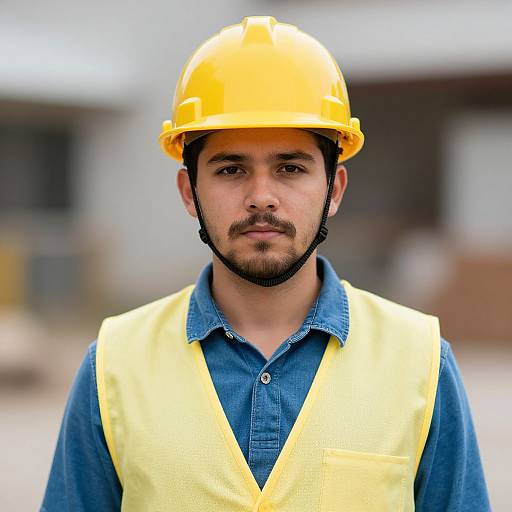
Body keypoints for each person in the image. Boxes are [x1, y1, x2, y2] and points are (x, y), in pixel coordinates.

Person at [41, 16, 491, 511]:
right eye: (231, 169)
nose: (261, 198)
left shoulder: (421, 363)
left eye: (290, 168)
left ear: (334, 189)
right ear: (189, 192)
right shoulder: (112, 366)